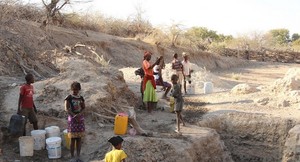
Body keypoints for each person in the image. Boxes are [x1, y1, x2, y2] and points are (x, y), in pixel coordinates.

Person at [64, 81, 85, 162]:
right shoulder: (69, 97)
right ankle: (72, 157)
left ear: (79, 89)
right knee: (73, 139)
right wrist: (74, 116)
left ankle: (78, 156)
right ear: (71, 89)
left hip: (80, 119)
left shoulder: (81, 98)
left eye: (76, 90)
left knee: (79, 138)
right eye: (73, 89)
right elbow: (67, 108)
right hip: (72, 120)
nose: (74, 91)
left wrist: (79, 114)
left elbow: (83, 108)